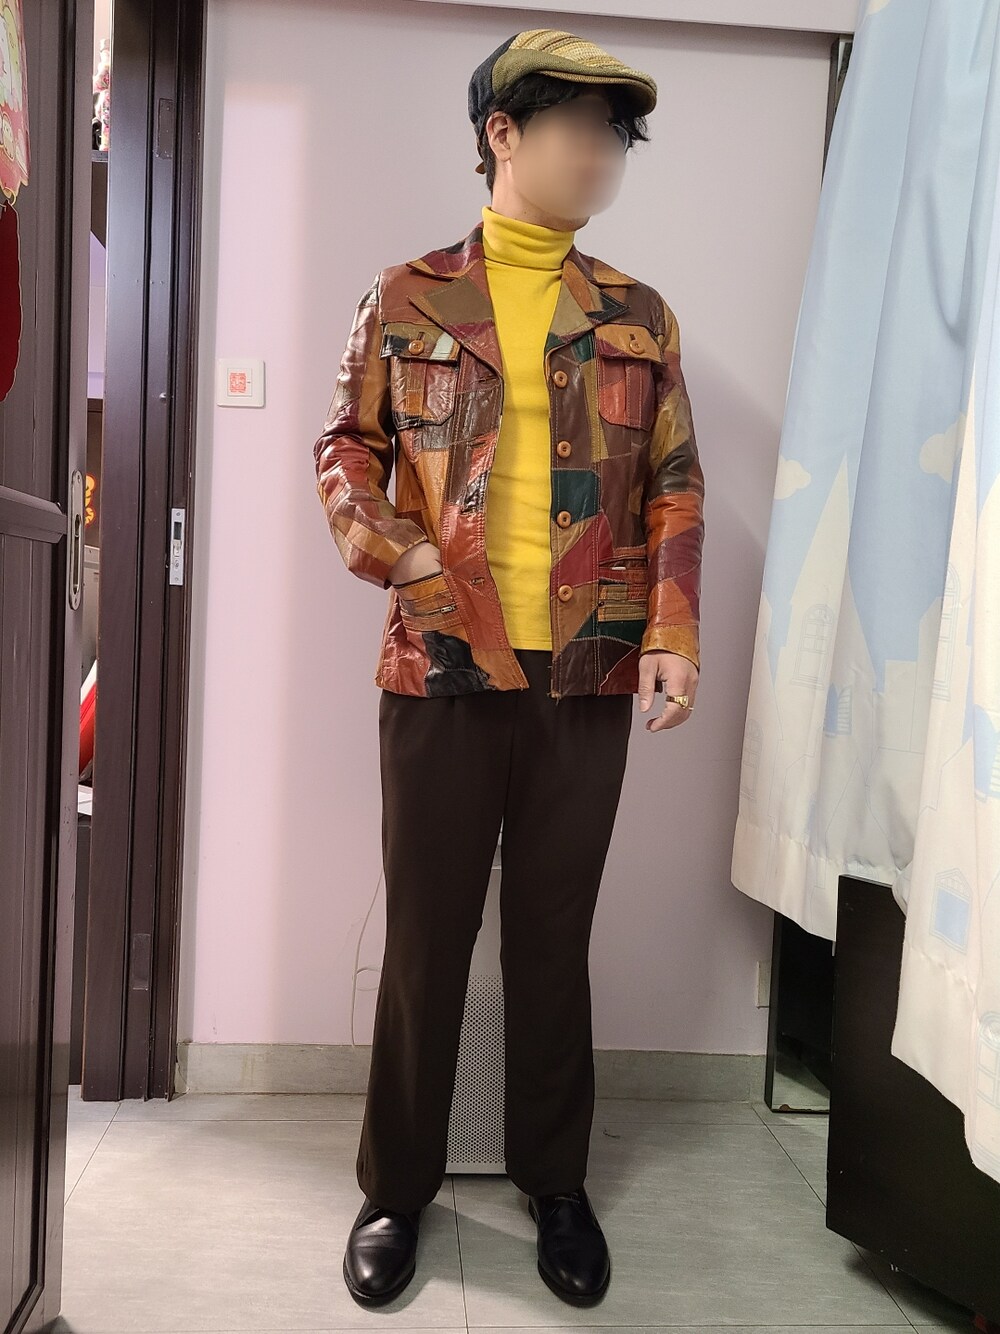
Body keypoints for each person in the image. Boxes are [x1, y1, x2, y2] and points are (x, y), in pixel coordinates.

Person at [313, 28, 705, 1308]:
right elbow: (346, 448)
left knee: (552, 933)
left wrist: (672, 632)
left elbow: (674, 483)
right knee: (427, 936)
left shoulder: (636, 314)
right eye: (580, 127)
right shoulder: (408, 295)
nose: (603, 154)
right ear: (502, 133)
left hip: (586, 669)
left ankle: (555, 1179)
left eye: (616, 135)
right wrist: (406, 558)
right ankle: (395, 1186)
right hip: (440, 662)